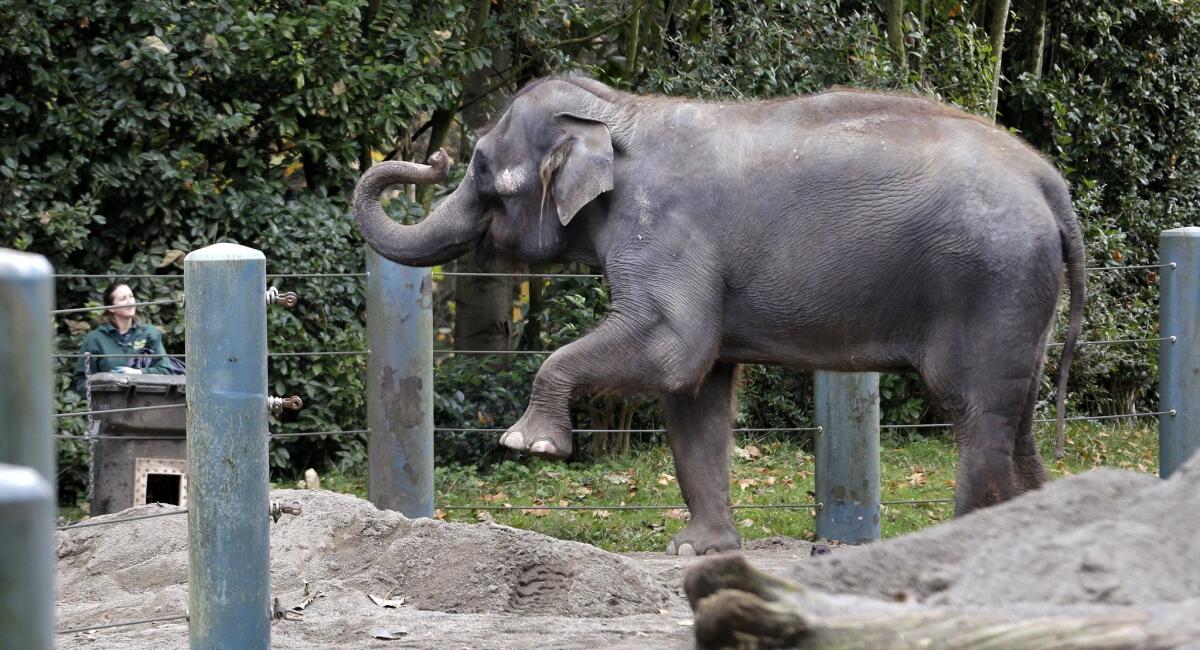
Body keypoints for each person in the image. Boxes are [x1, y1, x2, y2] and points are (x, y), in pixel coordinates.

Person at [71, 282, 183, 395]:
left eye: (131, 296)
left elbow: (166, 370)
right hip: (110, 405)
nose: (130, 302)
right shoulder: (95, 339)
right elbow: (81, 382)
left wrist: (138, 373)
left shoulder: (149, 333)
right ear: (111, 308)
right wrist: (107, 386)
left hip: (147, 404)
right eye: (123, 299)